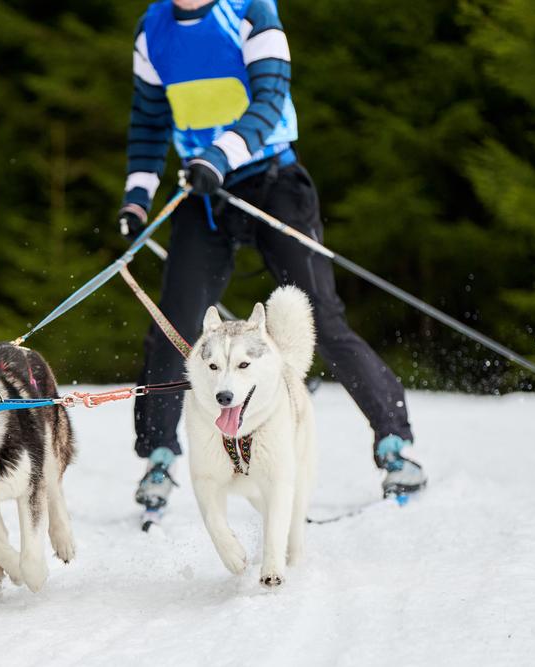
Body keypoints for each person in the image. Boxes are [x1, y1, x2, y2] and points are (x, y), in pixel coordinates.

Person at [116, 0, 427, 514]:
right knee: (176, 325)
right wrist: (137, 196)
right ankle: (160, 455)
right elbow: (149, 124)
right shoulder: (153, 30)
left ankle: (395, 446)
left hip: (272, 179)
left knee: (318, 320)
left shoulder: (249, 11)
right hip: (203, 193)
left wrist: (221, 155)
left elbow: (270, 97)